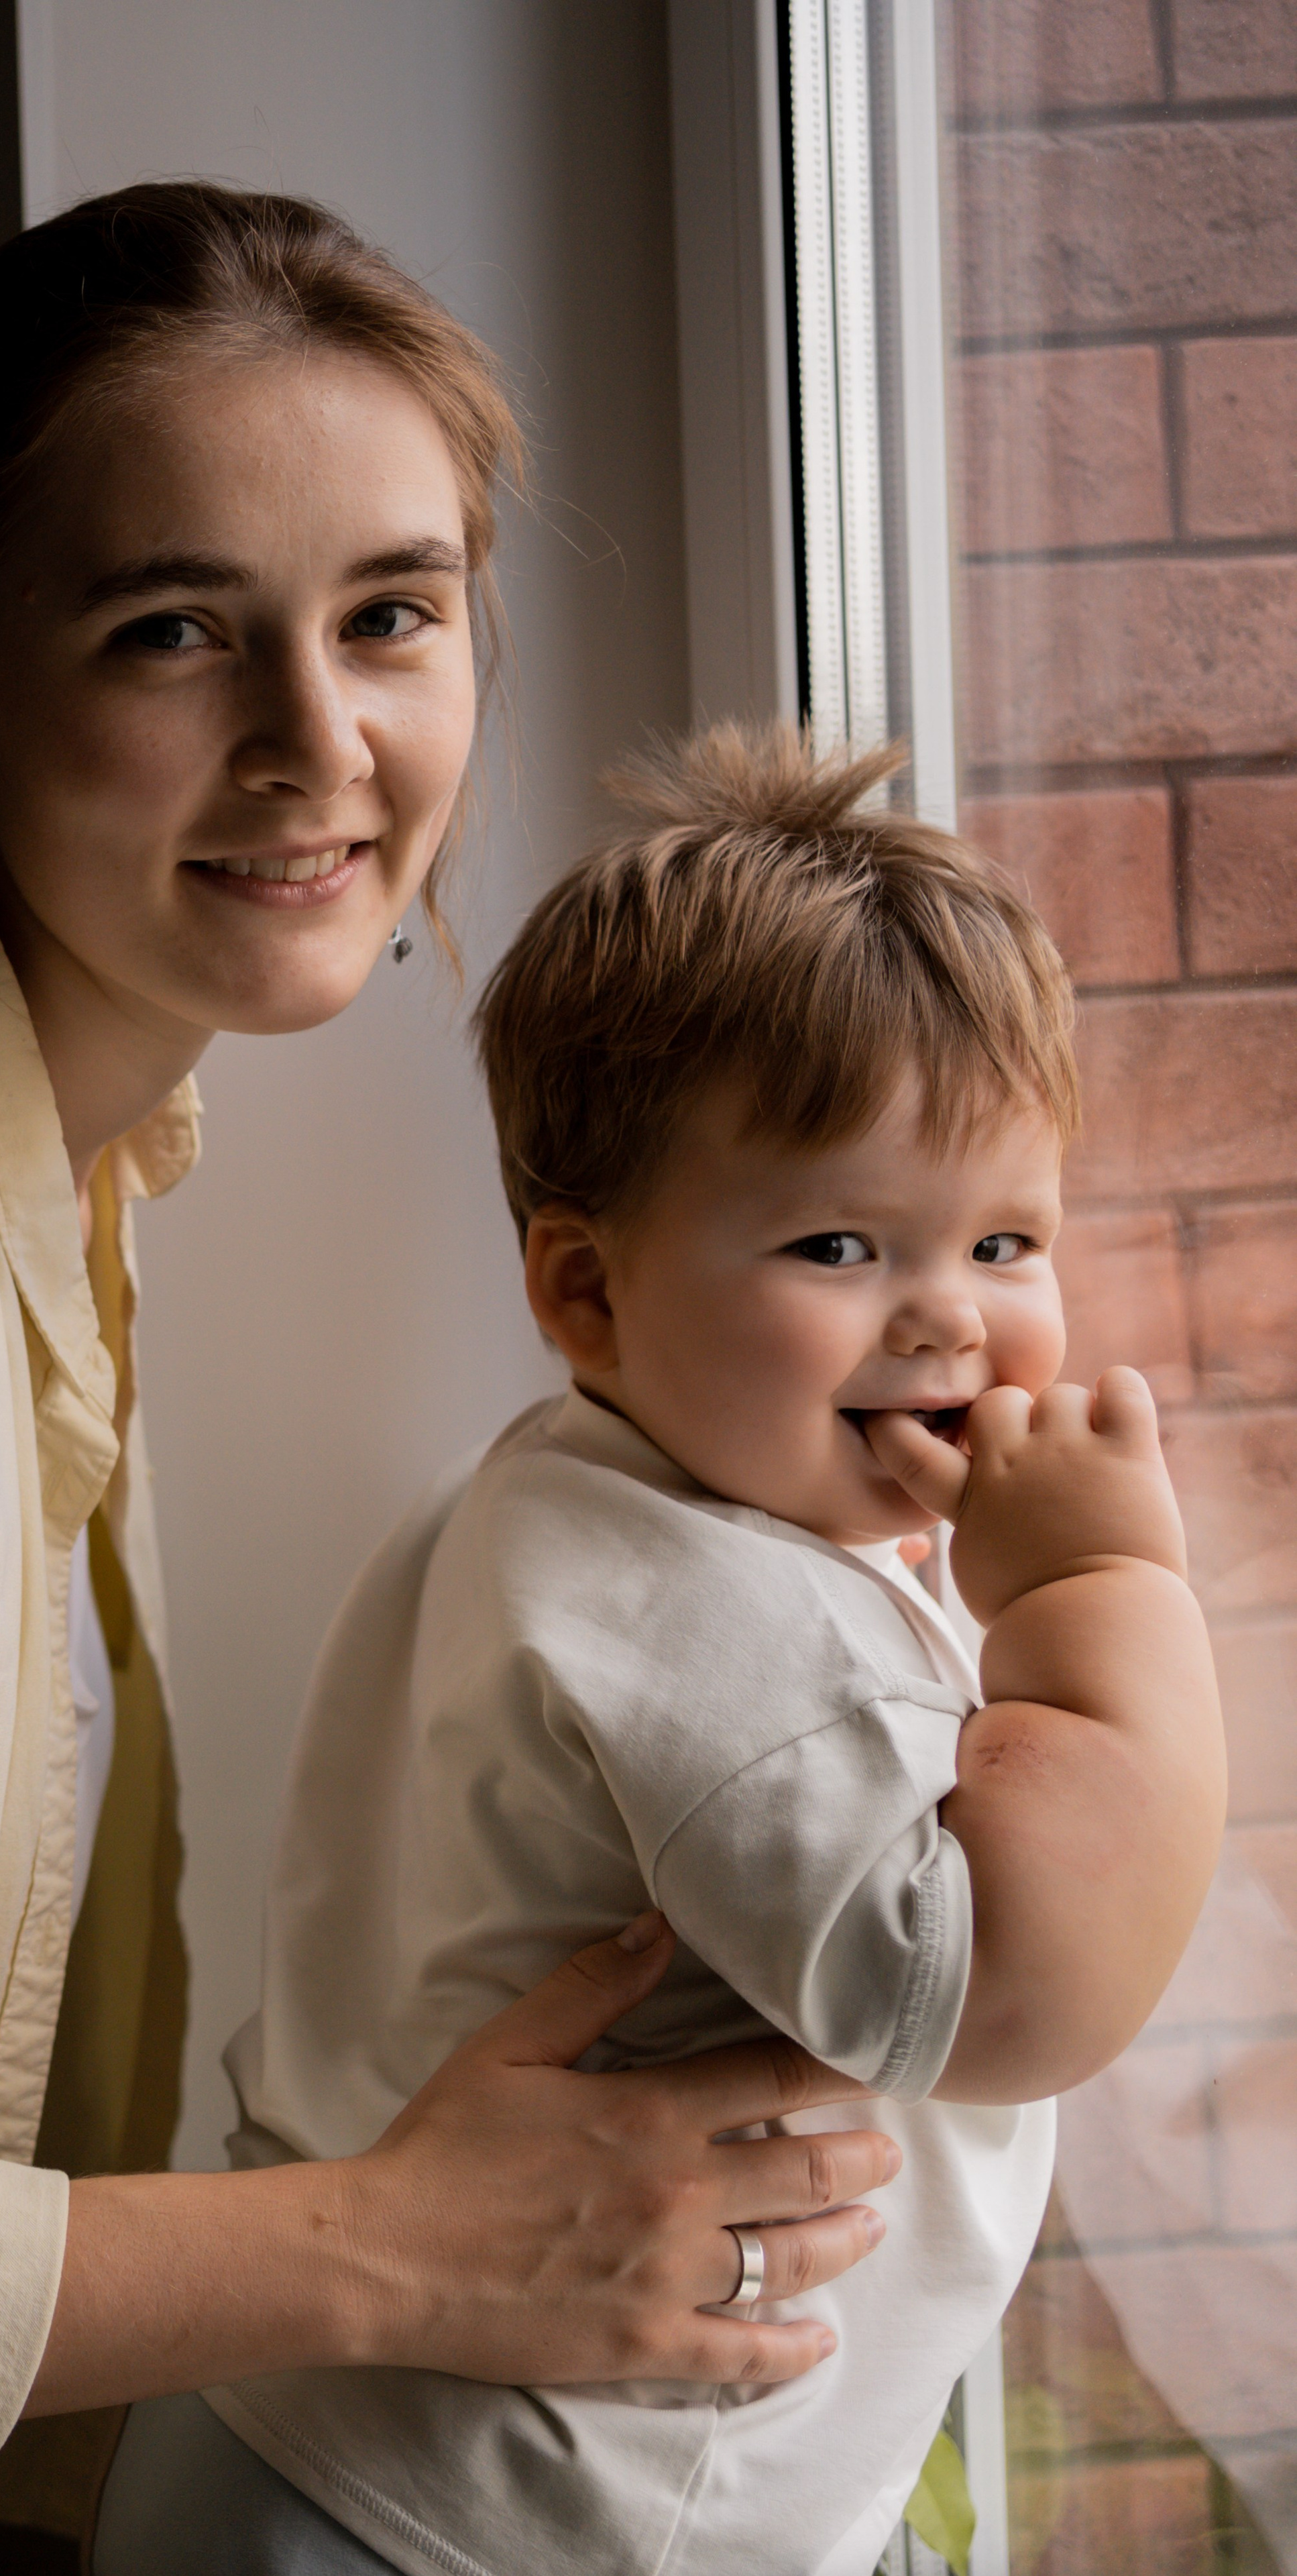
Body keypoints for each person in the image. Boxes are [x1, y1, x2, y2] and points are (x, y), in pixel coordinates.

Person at [0, 191, 903, 2576]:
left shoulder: (58, 1130)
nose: (320, 745)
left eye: (392, 613)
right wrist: (393, 2243)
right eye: (174, 629)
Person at [117, 724, 1229, 2576]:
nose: (950, 1312)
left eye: (1009, 1235)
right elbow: (1024, 1999)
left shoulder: (574, 1512)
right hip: (520, 2523)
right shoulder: (719, 1622)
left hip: (359, 2458)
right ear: (587, 1290)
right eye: (840, 1242)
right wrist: (1106, 1592)